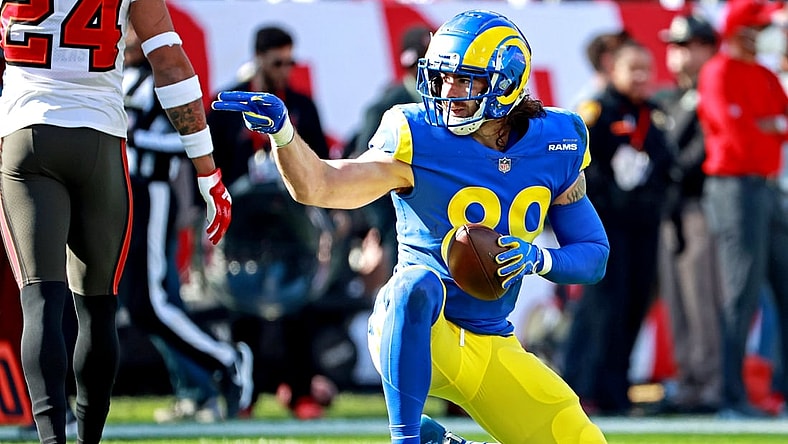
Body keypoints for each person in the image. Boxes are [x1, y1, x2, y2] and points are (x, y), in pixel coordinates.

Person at [213, 9, 610, 444]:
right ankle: (407, 439)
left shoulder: (558, 139)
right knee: (415, 284)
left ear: (506, 79)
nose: (447, 91)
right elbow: (322, 187)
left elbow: (593, 255)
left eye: (464, 79)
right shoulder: (416, 134)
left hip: (489, 339)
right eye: (441, 78)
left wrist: (539, 258)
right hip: (412, 329)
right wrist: (284, 136)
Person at [0, 0, 234, 442]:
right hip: (100, 143)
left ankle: (53, 438)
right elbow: (169, 62)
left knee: (41, 302)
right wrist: (208, 169)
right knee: (97, 308)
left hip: (27, 132)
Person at [119, 23, 253, 422]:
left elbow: (188, 139)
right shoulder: (117, 75)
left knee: (156, 302)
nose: (125, 37)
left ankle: (225, 360)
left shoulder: (163, 78)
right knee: (141, 307)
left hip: (151, 191)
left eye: (132, 30)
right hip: (116, 193)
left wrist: (132, 139)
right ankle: (197, 384)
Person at [567, 39, 675, 416]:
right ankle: (580, 387)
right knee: (601, 307)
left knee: (633, 305)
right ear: (614, 70)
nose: (642, 76)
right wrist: (614, 194)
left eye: (647, 68)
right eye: (634, 68)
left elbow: (666, 167)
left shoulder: (655, 114)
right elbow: (582, 168)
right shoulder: (597, 111)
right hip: (605, 226)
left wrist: (647, 192)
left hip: (643, 227)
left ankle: (616, 390)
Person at [696, 0, 788, 419]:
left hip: (767, 189)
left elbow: (773, 128)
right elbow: (738, 138)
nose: (768, 33)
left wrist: (766, 127)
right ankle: (731, 396)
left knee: (782, 288)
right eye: (760, 26)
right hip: (735, 189)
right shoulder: (717, 72)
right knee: (740, 293)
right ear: (741, 31)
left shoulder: (765, 74)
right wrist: (768, 128)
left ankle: (778, 391)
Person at [652, 12, 723, 415]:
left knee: (702, 296)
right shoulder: (672, 97)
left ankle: (709, 382)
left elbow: (697, 153)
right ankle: (689, 382)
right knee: (677, 299)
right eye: (675, 46)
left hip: (700, 204)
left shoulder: (713, 91)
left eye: (687, 45)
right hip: (671, 207)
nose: (677, 54)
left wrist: (672, 168)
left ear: (707, 48)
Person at [208, 24, 330, 187]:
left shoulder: (303, 106)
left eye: (290, 63)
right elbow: (211, 161)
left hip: (290, 202)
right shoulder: (229, 105)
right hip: (239, 203)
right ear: (258, 56)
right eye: (277, 64)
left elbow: (320, 160)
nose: (285, 71)